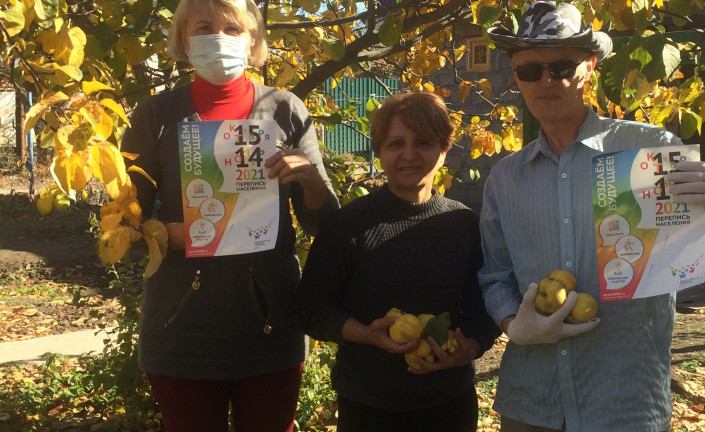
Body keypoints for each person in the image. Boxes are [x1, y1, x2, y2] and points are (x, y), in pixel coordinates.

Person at [480, 2, 705, 431]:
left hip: (623, 401)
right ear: (516, 76)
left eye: (561, 66)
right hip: (532, 402)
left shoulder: (649, 152)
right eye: (530, 70)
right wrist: (514, 323)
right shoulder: (505, 178)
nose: (546, 80)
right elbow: (495, 275)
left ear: (589, 67)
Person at [120, 0, 339, 430]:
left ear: (252, 40)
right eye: (204, 26)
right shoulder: (155, 117)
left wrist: (310, 180)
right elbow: (123, 226)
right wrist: (168, 236)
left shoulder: (284, 110)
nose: (218, 37)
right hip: (180, 331)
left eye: (232, 28)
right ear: (185, 39)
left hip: (269, 328)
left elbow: (324, 225)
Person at [295, 92, 501, 432]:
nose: (408, 155)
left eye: (422, 142)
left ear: (444, 149)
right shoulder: (349, 225)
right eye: (395, 143)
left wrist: (471, 347)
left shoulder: (464, 224)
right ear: (379, 151)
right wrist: (364, 333)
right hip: (368, 407)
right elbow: (311, 307)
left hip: (449, 405)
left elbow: (485, 307)